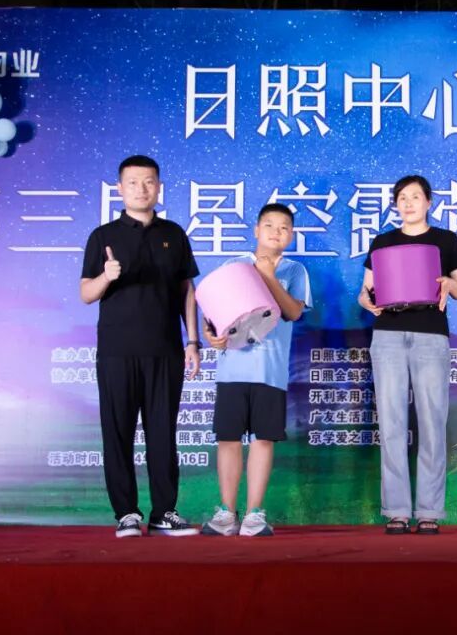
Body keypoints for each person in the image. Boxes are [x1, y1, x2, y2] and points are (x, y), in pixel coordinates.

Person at [80, 155, 200, 537]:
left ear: (159, 187)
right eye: (133, 182)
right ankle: (126, 513)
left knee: (163, 433)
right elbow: (86, 293)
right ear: (119, 188)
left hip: (165, 350)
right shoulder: (103, 236)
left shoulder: (174, 234)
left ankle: (164, 511)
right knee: (117, 432)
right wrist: (106, 276)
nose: (141, 189)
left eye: (149, 181)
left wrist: (193, 341)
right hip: (116, 351)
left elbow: (187, 291)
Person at [358, 175, 457, 535]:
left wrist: (449, 284)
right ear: (396, 204)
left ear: (428, 202)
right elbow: (366, 291)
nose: (408, 203)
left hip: (430, 334)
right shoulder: (383, 242)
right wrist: (365, 301)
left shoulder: (445, 240)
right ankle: (397, 511)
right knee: (391, 423)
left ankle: (429, 511)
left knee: (432, 422)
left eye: (415, 197)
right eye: (402, 198)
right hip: (388, 334)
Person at [201, 203, 311, 537]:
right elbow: (214, 316)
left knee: (263, 439)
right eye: (270, 225)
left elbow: (293, 312)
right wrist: (210, 334)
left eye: (284, 227)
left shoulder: (295, 271)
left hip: (270, 371)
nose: (276, 232)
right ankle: (226, 512)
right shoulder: (234, 266)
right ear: (257, 230)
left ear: (291, 235)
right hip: (232, 370)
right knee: (228, 439)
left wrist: (268, 277)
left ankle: (253, 514)